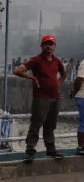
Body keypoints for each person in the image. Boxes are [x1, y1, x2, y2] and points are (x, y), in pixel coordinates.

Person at [15, 35, 67, 163]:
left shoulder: (56, 61)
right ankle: (30, 150)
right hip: (41, 97)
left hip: (55, 97)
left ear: (54, 46)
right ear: (42, 46)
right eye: (46, 44)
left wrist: (57, 84)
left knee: (51, 125)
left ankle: (51, 149)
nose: (48, 46)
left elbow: (63, 74)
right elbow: (18, 71)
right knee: (36, 124)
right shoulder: (37, 60)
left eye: (51, 44)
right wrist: (32, 78)